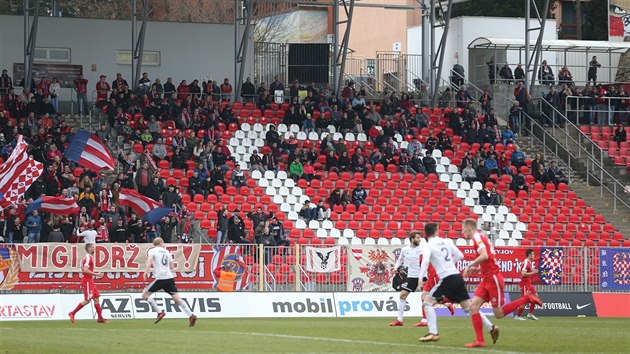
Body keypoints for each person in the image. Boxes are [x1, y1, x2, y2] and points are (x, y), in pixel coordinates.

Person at [462, 219, 543, 347]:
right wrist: (477, 269)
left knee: (498, 314)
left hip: (493, 278)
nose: (462, 232)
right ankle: (480, 340)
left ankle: (527, 298)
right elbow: (488, 258)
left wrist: (469, 265)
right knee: (473, 307)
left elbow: (484, 255)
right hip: (487, 278)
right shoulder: (480, 238)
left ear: (469, 228)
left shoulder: (477, 238)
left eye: (463, 229)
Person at [418, 223, 498, 345]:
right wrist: (449, 264)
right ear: (437, 231)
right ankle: (491, 327)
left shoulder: (428, 245)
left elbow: (425, 261)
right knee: (469, 308)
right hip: (457, 276)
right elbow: (460, 255)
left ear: (425, 234)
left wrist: (421, 278)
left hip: (446, 278)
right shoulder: (447, 242)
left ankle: (433, 333)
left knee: (427, 303)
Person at [142, 237, 197, 326]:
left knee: (145, 295)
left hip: (160, 278)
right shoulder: (167, 252)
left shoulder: (153, 250)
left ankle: (159, 312)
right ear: (160, 243)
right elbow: (171, 266)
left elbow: (150, 259)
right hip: (169, 278)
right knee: (177, 298)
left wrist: (146, 271)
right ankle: (191, 314)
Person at [68, 243, 109, 324]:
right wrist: (96, 274)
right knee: (87, 300)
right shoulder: (88, 258)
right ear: (89, 248)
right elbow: (85, 270)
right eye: (93, 247)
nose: (94, 249)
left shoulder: (88, 257)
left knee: (96, 298)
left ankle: (100, 318)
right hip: (87, 281)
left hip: (90, 281)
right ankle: (72, 313)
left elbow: (82, 268)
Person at [389, 232, 424, 327]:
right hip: (412, 276)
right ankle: (399, 320)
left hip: (423, 275)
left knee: (426, 297)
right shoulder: (405, 250)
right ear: (412, 239)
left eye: (420, 238)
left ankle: (425, 320)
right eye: (418, 237)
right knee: (402, 295)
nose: (420, 239)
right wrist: (396, 267)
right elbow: (400, 259)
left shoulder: (422, 249)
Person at [514, 249, 540, 321]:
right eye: (533, 254)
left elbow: (528, 271)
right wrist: (533, 273)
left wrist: (534, 270)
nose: (534, 255)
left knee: (536, 297)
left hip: (529, 283)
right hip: (525, 284)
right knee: (524, 301)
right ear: (529, 255)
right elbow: (523, 273)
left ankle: (530, 314)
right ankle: (517, 316)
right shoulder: (526, 262)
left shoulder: (529, 262)